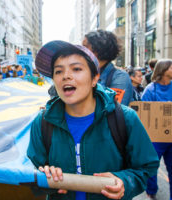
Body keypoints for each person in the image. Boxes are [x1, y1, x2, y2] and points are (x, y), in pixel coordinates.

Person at [27, 40, 159, 200]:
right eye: (58, 71)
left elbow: (146, 167)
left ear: (94, 78)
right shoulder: (42, 123)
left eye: (76, 69)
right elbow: (31, 174)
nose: (66, 76)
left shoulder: (125, 118)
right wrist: (45, 178)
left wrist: (125, 182)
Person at [142, 59, 172, 200]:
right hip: (155, 137)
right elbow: (144, 113)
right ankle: (151, 191)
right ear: (164, 70)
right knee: (152, 167)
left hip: (171, 135)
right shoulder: (150, 89)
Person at [82, 30, 133, 106]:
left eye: (85, 47)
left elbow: (113, 109)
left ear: (97, 50)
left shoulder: (120, 77)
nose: (80, 50)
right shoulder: (85, 74)